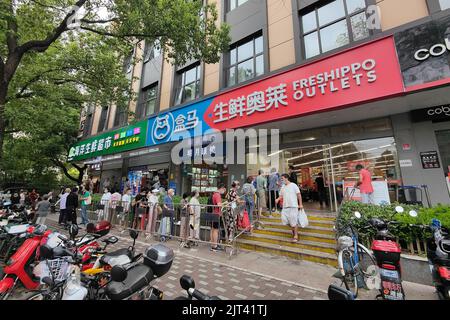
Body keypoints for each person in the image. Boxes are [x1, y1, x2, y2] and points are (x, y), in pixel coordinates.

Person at [276, 174, 303, 243]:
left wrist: (300, 204)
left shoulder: (293, 185)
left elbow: (298, 194)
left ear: (286, 178)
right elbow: (281, 195)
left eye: (282, 179)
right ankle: (294, 229)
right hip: (285, 207)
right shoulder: (283, 187)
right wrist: (278, 199)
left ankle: (295, 235)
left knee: (293, 221)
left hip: (293, 206)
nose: (281, 180)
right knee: (284, 220)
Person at [211, 184, 226, 252]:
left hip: (214, 213)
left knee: (213, 230)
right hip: (217, 214)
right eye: (224, 189)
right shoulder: (217, 195)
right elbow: (219, 204)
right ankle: (215, 246)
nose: (224, 191)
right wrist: (225, 203)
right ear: (221, 188)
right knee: (216, 230)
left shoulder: (214, 194)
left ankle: (213, 245)